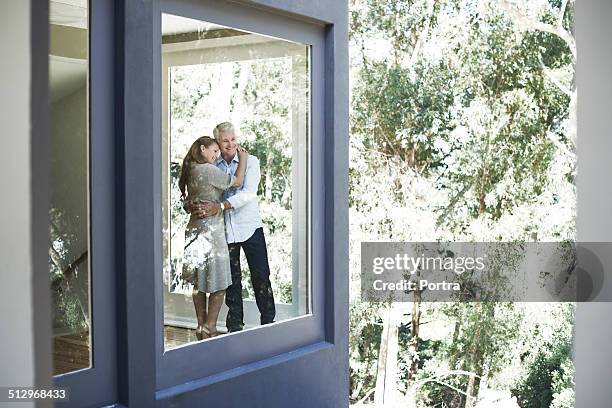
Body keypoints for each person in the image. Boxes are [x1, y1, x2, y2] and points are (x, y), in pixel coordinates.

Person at [189, 122, 276, 332]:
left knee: (261, 277)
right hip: (225, 231)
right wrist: (195, 203)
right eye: (225, 140)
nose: (230, 144)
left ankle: (269, 325)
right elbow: (204, 191)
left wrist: (220, 206)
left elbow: (247, 193)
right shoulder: (212, 165)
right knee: (232, 283)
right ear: (217, 142)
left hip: (250, 228)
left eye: (233, 139)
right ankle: (235, 328)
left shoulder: (251, 161)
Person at [179, 136, 248, 339]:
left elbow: (187, 202)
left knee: (198, 282)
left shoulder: (190, 169)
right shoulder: (208, 170)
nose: (216, 155)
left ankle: (201, 326)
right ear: (202, 149)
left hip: (194, 229)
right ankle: (210, 326)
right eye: (214, 151)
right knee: (220, 283)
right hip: (211, 231)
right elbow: (237, 182)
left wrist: (190, 205)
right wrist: (243, 158)